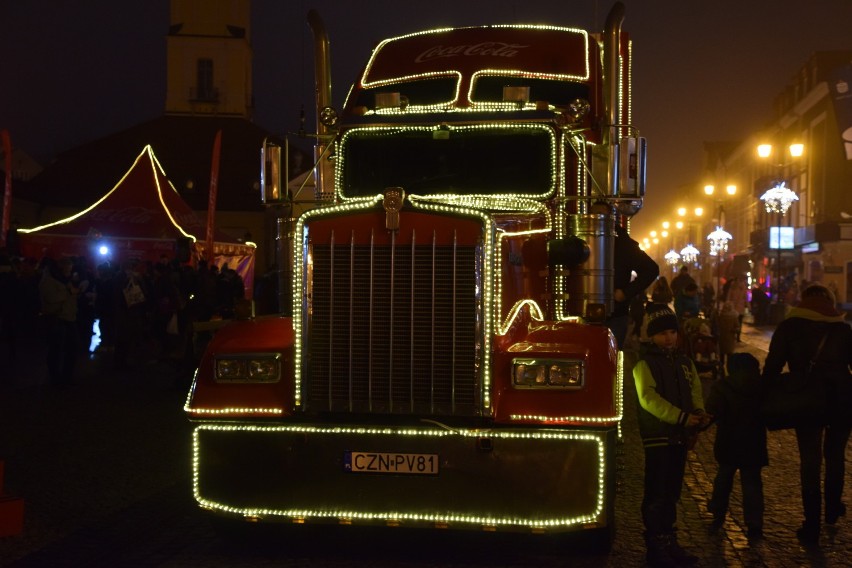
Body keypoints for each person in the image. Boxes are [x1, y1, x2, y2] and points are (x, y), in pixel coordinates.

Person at [762, 283, 852, 545]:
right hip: (842, 399)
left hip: (806, 399)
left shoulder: (789, 326)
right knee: (836, 457)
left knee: (810, 461)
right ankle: (832, 510)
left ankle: (811, 525)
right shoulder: (843, 329)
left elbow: (773, 366)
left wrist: (763, 395)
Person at [633, 305, 711, 566]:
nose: (669, 337)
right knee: (656, 492)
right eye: (662, 333)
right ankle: (655, 546)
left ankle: (669, 540)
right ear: (651, 336)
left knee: (672, 493)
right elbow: (648, 399)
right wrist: (681, 417)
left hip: (679, 435)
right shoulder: (645, 364)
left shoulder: (684, 362)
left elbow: (694, 390)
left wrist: (698, 413)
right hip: (658, 436)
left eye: (672, 332)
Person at [705, 352, 767, 541]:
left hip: (728, 440)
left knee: (724, 478)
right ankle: (754, 523)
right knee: (752, 483)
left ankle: (718, 512)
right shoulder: (760, 387)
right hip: (754, 442)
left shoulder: (723, 386)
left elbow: (712, 411)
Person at [590, 202, 660, 350]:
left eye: (603, 215)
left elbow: (651, 269)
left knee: (611, 360)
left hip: (615, 314)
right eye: (595, 214)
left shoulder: (623, 243)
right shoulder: (583, 238)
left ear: (612, 218)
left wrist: (626, 293)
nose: (599, 218)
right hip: (585, 314)